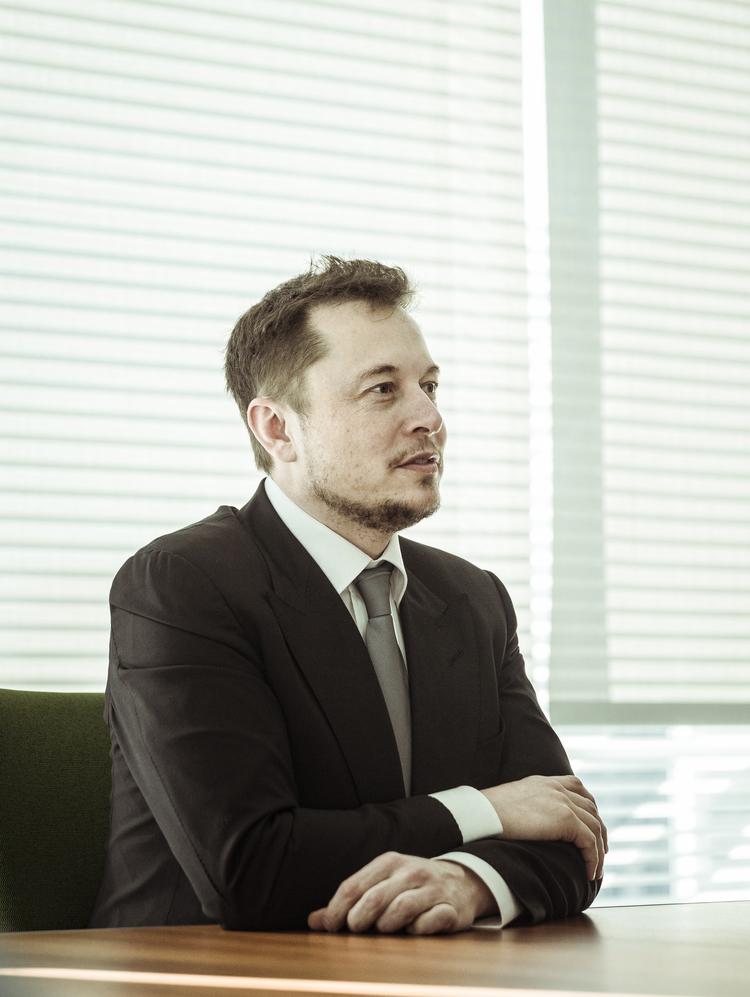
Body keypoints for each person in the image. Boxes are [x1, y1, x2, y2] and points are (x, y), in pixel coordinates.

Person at [90, 256, 607, 934]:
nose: (430, 417)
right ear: (277, 428)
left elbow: (568, 829)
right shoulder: (182, 583)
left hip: (418, 968)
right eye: (383, 390)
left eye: (429, 386)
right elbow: (251, 869)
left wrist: (469, 879)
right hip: (199, 968)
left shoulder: (473, 597)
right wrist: (485, 810)